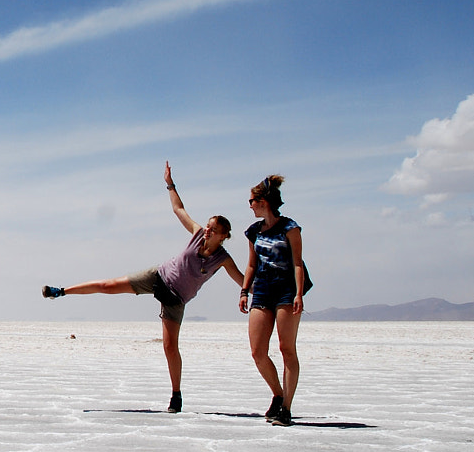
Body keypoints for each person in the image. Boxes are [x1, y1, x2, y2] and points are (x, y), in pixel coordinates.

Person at [43, 163, 243, 413]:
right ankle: (61, 291)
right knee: (109, 285)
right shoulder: (196, 233)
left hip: (176, 299)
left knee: (170, 347)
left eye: (213, 230)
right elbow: (178, 209)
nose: (207, 231)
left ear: (223, 236)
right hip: (158, 277)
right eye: (208, 226)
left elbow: (243, 281)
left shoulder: (223, 259)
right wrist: (170, 184)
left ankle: (176, 396)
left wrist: (264, 291)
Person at [241, 174, 306, 426]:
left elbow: (297, 263)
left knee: (286, 349)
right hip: (263, 290)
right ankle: (277, 394)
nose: (249, 206)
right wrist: (244, 290)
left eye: (251, 201)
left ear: (264, 201)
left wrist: (299, 293)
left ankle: (286, 409)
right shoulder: (254, 231)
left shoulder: (290, 228)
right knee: (258, 351)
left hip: (286, 291)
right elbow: (251, 265)